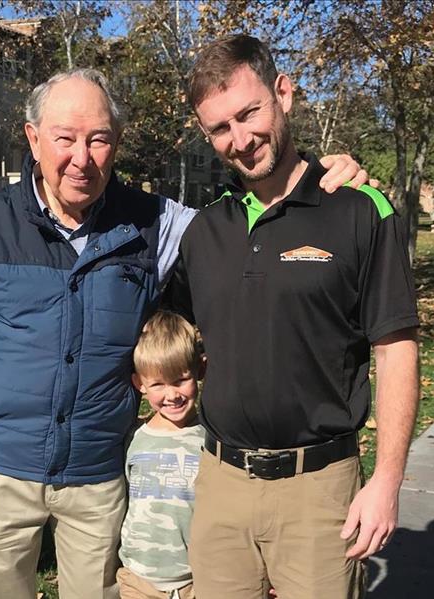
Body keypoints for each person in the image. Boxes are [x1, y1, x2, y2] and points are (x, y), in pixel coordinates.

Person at [0, 66, 369, 599]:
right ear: (33, 140)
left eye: (99, 140)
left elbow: (247, 220)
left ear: (117, 143)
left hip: (96, 474)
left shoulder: (159, 224)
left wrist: (318, 174)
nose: (82, 157)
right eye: (65, 139)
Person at [165, 35, 420, 599]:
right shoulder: (205, 232)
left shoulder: (358, 209)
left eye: (248, 113)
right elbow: (169, 336)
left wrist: (386, 481)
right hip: (221, 485)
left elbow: (396, 347)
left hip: (319, 488)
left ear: (284, 94)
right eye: (220, 129)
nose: (241, 138)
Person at [117, 310, 204, 599]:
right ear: (140, 384)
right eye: (158, 384)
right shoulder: (133, 439)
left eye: (181, 379)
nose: (172, 395)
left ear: (199, 371)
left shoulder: (212, 438)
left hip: (197, 579)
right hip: (139, 579)